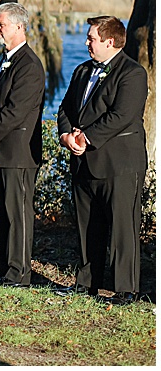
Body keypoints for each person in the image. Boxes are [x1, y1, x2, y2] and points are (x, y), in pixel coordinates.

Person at [57, 16, 147, 306]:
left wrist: (86, 138)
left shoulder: (132, 73)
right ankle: (86, 283)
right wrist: (65, 135)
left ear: (110, 42)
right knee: (87, 225)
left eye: (91, 38)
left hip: (120, 162)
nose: (86, 43)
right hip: (83, 161)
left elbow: (121, 116)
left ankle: (125, 289)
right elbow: (65, 107)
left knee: (122, 227)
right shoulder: (82, 71)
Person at [0, 3, 45, 288]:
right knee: (3, 212)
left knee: (18, 215)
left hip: (19, 152)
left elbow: (14, 112)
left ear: (18, 26)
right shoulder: (8, 60)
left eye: (1, 24)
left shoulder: (29, 65)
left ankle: (19, 273)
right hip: (2, 150)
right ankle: (4, 268)